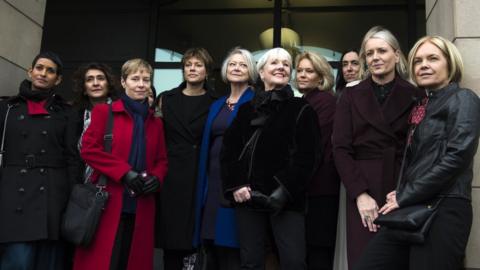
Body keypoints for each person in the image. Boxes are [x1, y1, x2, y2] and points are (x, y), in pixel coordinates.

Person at [355, 35, 480, 270]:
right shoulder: (421, 105)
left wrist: (406, 194)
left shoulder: (464, 98)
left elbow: (457, 157)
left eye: (433, 58)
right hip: (412, 206)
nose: (423, 65)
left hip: (445, 208)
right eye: (418, 60)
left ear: (450, 64)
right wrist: (403, 191)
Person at [332, 26, 424, 269]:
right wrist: (360, 195)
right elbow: (340, 148)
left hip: (400, 185)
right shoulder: (351, 96)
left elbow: (420, 147)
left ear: (396, 55)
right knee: (364, 258)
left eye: (382, 51)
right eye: (369, 53)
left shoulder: (415, 94)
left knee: (398, 259)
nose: (375, 58)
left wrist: (407, 191)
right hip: (361, 184)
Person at [221, 47, 320, 270]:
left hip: (285, 199)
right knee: (251, 262)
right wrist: (237, 184)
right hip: (248, 198)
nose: (281, 67)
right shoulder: (246, 109)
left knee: (294, 262)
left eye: (286, 64)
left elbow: (308, 157)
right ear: (262, 72)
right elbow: (229, 151)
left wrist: (283, 191)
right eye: (274, 63)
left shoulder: (301, 108)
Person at [73, 58, 168, 270]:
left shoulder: (156, 122)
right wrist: (125, 173)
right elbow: (88, 150)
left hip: (142, 203)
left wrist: (157, 178)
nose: (141, 84)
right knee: (105, 261)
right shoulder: (104, 112)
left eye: (146, 79)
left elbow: (162, 160)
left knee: (132, 261)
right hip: (107, 200)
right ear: (124, 82)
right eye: (135, 79)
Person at [0, 51, 81, 269]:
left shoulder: (67, 112)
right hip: (12, 193)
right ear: (30, 71)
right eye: (39, 68)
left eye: (50, 71)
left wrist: (72, 199)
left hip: (52, 196)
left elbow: (72, 158)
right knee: (17, 259)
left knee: (47, 262)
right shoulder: (6, 108)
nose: (43, 73)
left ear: (58, 79)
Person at [192, 47, 257, 269]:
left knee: (233, 250)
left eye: (242, 64)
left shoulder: (256, 101)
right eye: (232, 64)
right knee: (212, 248)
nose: (236, 68)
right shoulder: (217, 104)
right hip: (212, 183)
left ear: (251, 71)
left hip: (237, 185)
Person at [157, 47, 217, 269]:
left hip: (200, 172)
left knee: (196, 233)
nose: (192, 69)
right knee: (171, 235)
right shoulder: (166, 99)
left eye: (198, 65)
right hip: (171, 174)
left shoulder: (216, 101)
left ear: (207, 71)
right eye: (188, 65)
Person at [295, 51, 340, 270]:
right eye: (300, 70)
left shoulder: (325, 102)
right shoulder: (305, 101)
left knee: (319, 251)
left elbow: (310, 145)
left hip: (322, 188)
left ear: (321, 78)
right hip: (309, 188)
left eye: (309, 71)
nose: (302, 75)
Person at [72, 62, 118, 181]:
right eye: (89, 79)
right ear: (84, 89)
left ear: (108, 85)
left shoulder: (120, 112)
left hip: (115, 179)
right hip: (83, 184)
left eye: (101, 78)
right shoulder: (74, 116)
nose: (96, 83)